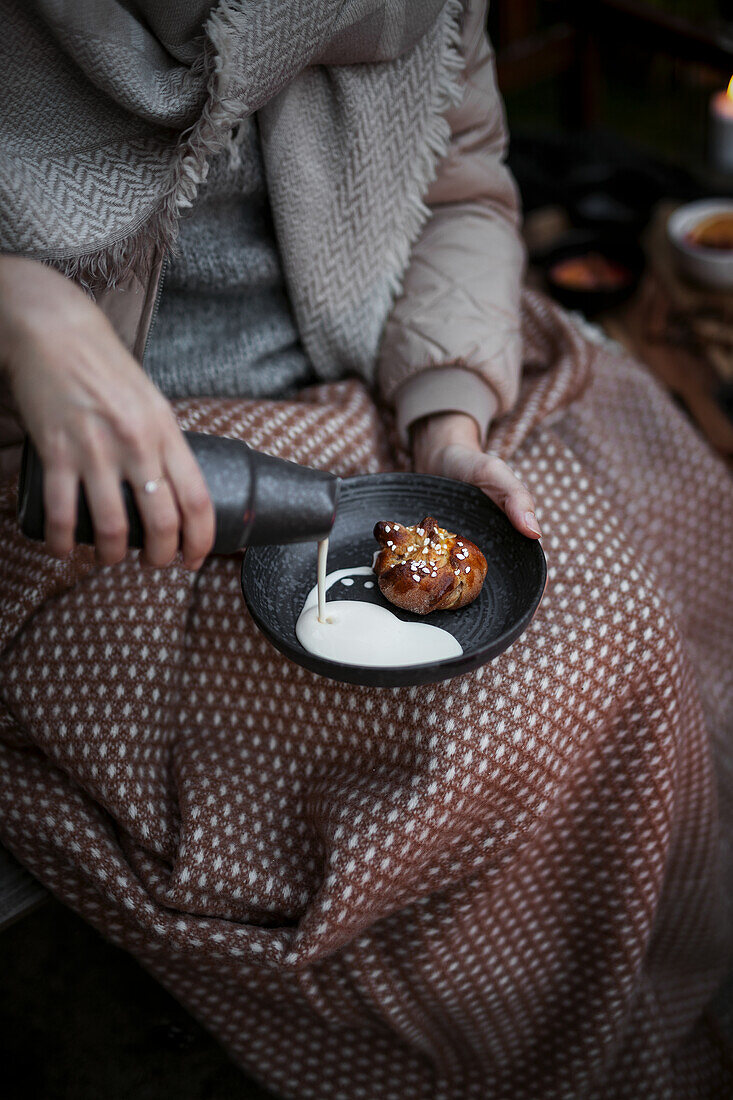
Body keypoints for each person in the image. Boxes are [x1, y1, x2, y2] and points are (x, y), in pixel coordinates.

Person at [0, 2, 732, 1097]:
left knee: (681, 555)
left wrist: (449, 420)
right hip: (95, 487)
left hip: (382, 372)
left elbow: (460, 182)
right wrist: (19, 308)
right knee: (536, 716)